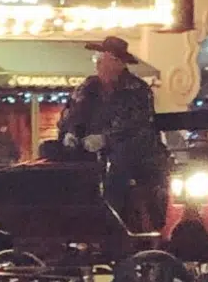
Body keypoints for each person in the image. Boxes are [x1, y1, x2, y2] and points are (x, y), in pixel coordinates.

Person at [58, 36, 167, 224]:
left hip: (132, 153)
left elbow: (138, 126)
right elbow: (72, 114)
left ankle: (110, 219)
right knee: (54, 154)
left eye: (102, 59)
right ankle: (67, 219)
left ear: (118, 63)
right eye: (96, 60)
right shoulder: (88, 86)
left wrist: (105, 139)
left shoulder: (137, 89)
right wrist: (70, 133)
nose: (98, 64)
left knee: (118, 161)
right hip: (91, 149)